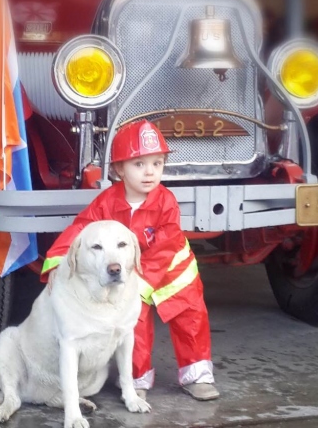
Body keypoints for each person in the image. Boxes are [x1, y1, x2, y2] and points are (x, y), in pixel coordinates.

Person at [41, 119, 219, 401]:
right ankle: (136, 380)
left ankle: (197, 375)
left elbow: (167, 243)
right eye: (139, 164)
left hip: (175, 273)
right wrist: (58, 259)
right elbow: (82, 229)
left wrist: (145, 281)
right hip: (131, 274)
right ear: (118, 169)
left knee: (190, 318)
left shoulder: (166, 202)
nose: (149, 172)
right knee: (132, 323)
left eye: (157, 163)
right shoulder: (106, 202)